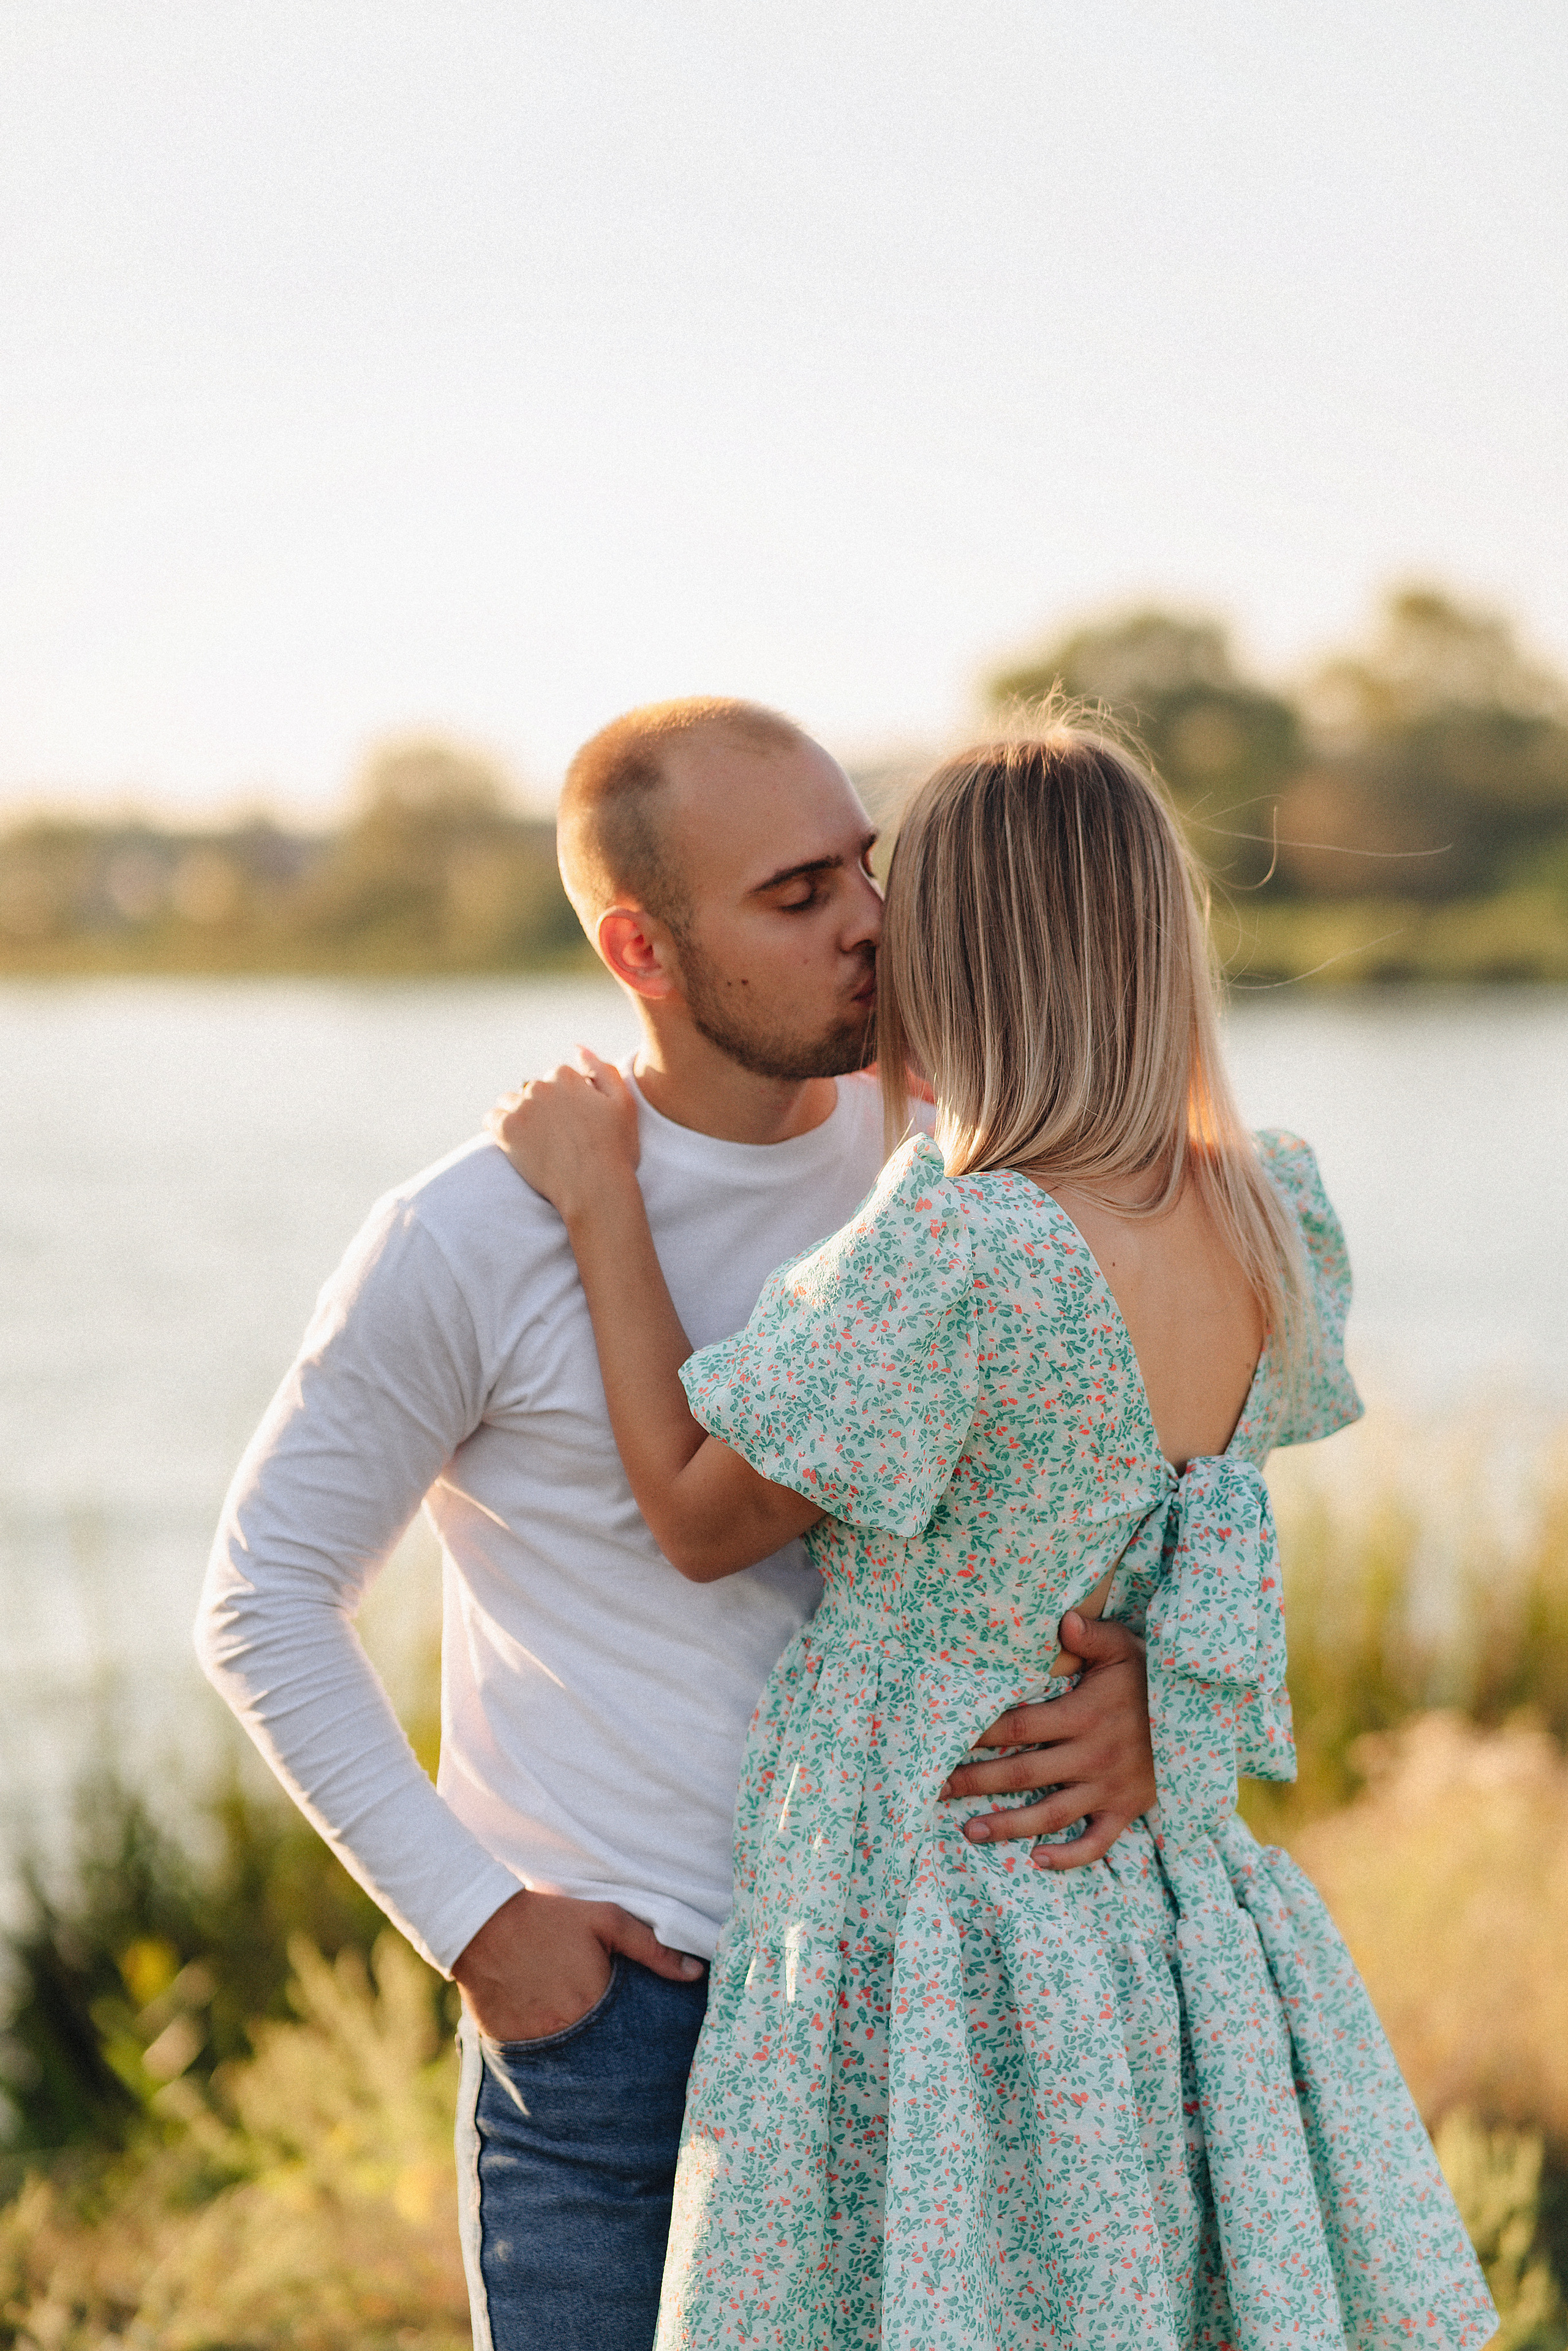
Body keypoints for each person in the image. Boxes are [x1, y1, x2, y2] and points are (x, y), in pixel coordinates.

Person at [491, 723, 1495, 2351]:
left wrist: (605, 1201)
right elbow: (1191, 1535)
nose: (869, 944)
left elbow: (693, 1513)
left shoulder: (960, 1250)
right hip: (1139, 1892)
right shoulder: (1260, 1214)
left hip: (937, 1888)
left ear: (958, 957)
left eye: (895, 911)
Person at [194, 697, 1160, 2351]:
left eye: (865, 865)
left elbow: (1132, 1467)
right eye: (797, 896)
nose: (871, 919)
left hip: (939, 1998)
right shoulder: (470, 1234)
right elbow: (264, 1598)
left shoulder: (957, 1167)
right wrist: (482, 1928)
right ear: (641, 947)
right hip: (635, 2030)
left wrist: (1141, 1684)